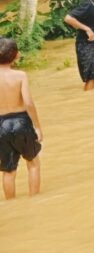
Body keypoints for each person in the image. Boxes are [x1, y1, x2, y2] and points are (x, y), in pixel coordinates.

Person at [0, 38, 43, 199]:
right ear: (16, 55)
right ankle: (34, 201)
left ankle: (12, 204)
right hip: (21, 122)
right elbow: (28, 103)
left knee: (8, 170)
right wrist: (37, 127)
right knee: (33, 164)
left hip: (1, 125)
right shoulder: (20, 75)